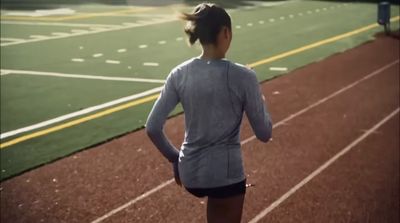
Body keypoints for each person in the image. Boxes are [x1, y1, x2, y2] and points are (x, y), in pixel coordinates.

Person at [146, 3, 272, 223]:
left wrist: (176, 158)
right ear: (225, 32)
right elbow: (264, 133)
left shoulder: (179, 73)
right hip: (225, 176)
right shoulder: (244, 76)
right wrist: (259, 99)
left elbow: (153, 127)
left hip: (190, 174)